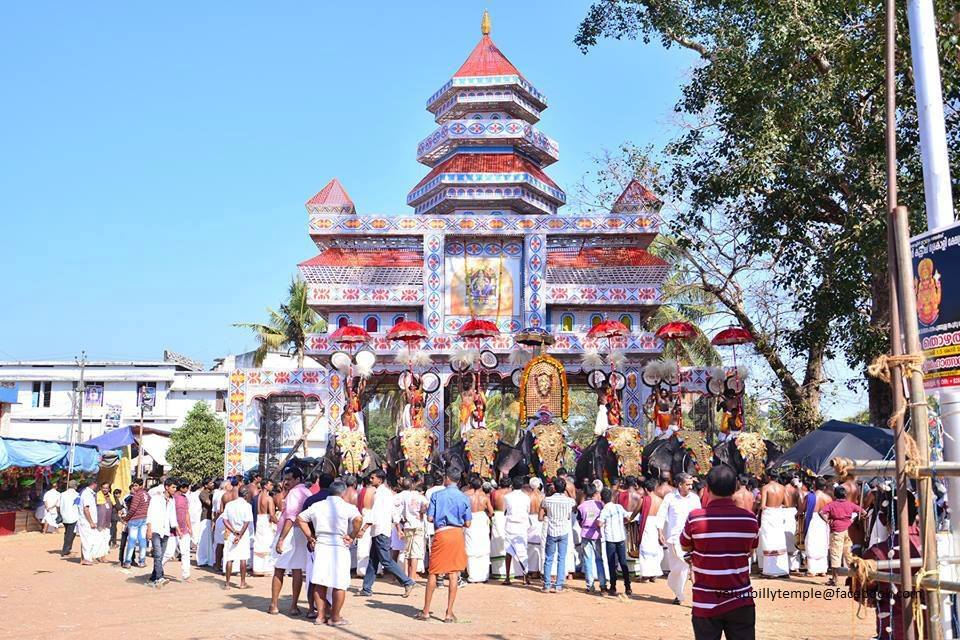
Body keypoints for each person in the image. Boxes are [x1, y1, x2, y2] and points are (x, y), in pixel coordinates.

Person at [680, 464, 760, 640]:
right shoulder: (749, 519)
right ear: (735, 487)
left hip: (705, 602)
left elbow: (685, 545)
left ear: (707, 489)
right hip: (740, 600)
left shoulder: (695, 518)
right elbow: (750, 549)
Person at [295, 480, 361, 627]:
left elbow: (300, 518)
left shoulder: (318, 506)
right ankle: (335, 617)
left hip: (322, 544)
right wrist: (352, 535)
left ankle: (320, 616)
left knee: (320, 582)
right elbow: (358, 519)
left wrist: (310, 537)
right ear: (343, 493)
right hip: (339, 545)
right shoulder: (347, 507)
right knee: (340, 584)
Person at [416, 469, 472, 623]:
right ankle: (449, 613)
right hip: (457, 534)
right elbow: (468, 523)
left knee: (434, 572)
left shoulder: (437, 495)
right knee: (453, 573)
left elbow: (430, 518)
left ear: (447, 478)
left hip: (441, 534)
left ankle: (426, 611)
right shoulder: (464, 497)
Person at [358, 470, 417, 597]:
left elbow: (375, 513)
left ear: (379, 480)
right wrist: (398, 527)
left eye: (373, 478)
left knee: (385, 560)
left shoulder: (381, 494)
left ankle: (407, 581)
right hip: (381, 530)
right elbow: (393, 512)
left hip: (380, 530)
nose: (370, 480)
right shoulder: (386, 493)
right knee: (373, 560)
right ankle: (366, 588)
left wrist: (364, 529)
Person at [270, 467, 312, 616]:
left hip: (289, 532)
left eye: (289, 479)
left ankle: (274, 604)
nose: (286, 482)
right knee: (297, 569)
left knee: (279, 568)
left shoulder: (294, 493)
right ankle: (293, 606)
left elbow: (291, 517)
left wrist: (281, 539)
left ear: (298, 479)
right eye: (285, 479)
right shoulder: (307, 492)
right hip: (301, 533)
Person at [661, 472, 702, 604]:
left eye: (691, 484)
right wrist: (660, 532)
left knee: (690, 566)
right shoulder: (670, 498)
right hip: (674, 539)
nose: (691, 487)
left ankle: (698, 597)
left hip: (691, 539)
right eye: (688, 484)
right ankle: (678, 593)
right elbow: (661, 515)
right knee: (677, 569)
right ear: (680, 485)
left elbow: (699, 518)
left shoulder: (695, 499)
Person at [820, 485, 865, 586]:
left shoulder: (832, 505)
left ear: (835, 495)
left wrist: (827, 521)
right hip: (849, 530)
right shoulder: (850, 504)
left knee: (835, 554)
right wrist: (853, 520)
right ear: (845, 495)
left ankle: (835, 579)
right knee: (849, 555)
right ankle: (855, 578)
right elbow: (864, 512)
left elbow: (821, 512)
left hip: (836, 530)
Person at [540, 477, 576, 593]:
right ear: (564, 488)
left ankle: (547, 585)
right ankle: (559, 585)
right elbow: (574, 502)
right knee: (562, 558)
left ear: (554, 488)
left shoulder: (547, 500)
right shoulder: (569, 501)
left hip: (552, 531)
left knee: (549, 558)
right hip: (563, 531)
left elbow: (542, 506)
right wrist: (568, 491)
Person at [599, 487, 632, 596]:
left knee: (611, 563)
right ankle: (628, 587)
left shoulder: (604, 510)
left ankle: (613, 587)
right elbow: (628, 517)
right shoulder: (619, 507)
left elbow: (600, 523)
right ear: (612, 497)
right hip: (620, 537)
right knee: (623, 562)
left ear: (602, 499)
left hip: (610, 539)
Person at [146, 478, 177, 588]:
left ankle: (153, 577)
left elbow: (172, 516)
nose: (175, 489)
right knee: (158, 554)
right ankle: (160, 577)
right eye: (173, 487)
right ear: (167, 487)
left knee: (161, 556)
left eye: (175, 487)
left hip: (166, 531)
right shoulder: (156, 499)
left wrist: (177, 528)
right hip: (155, 529)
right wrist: (149, 529)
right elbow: (149, 514)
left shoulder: (172, 501)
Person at [757, 473, 789, 577]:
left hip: (769, 515)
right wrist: (777, 506)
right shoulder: (782, 488)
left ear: (769, 477)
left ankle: (770, 570)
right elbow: (787, 504)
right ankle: (782, 569)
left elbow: (762, 506)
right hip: (778, 515)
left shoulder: (765, 488)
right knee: (779, 540)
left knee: (768, 540)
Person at [577, 482, 607, 594]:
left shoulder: (581, 507)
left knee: (587, 559)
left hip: (585, 534)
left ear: (584, 493)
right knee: (599, 559)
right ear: (595, 493)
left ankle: (590, 586)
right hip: (596, 534)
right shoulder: (600, 505)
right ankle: (603, 585)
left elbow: (579, 521)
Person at [398, 476, 429, 581]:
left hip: (407, 525)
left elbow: (401, 511)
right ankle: (412, 577)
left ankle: (406, 575)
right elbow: (426, 507)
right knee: (415, 553)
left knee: (407, 552)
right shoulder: (421, 497)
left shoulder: (406, 497)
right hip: (418, 525)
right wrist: (421, 512)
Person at [223, 485, 254, 590]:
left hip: (232, 534)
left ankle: (227, 584)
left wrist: (233, 531)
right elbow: (246, 522)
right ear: (246, 495)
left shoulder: (229, 504)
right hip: (243, 535)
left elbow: (225, 520)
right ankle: (242, 583)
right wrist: (240, 535)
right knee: (243, 558)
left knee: (230, 558)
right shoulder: (247, 506)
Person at [464, 476, 493, 583]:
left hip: (470, 520)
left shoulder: (467, 497)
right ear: (481, 486)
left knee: (471, 547)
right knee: (483, 547)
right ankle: (484, 576)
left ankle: (472, 576)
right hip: (481, 521)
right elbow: (491, 512)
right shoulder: (484, 497)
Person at [503, 476, 531, 585]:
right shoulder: (526, 497)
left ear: (512, 485)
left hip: (510, 525)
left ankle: (507, 577)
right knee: (523, 551)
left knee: (508, 551)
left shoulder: (507, 497)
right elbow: (527, 511)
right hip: (522, 526)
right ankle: (525, 577)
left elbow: (505, 511)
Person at [635, 477, 664, 582]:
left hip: (647, 523)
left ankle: (646, 575)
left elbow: (636, 511)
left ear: (646, 489)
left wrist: (630, 518)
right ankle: (654, 574)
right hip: (657, 524)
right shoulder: (660, 500)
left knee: (645, 548)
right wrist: (660, 532)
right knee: (656, 549)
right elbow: (662, 516)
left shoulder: (644, 500)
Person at [804, 477, 832, 576]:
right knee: (822, 543)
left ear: (814, 485)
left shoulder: (809, 496)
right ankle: (823, 569)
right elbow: (830, 512)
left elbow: (803, 509)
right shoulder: (828, 498)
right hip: (823, 521)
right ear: (824, 487)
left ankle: (812, 570)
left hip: (812, 520)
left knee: (811, 542)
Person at [168, 479, 193, 582]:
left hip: (184, 529)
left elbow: (187, 513)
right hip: (172, 530)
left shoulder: (185, 498)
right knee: (168, 553)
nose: (188, 489)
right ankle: (157, 571)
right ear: (182, 487)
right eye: (187, 487)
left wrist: (189, 527)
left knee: (185, 552)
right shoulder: (172, 498)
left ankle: (186, 575)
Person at [253, 478, 278, 576]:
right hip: (266, 520)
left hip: (259, 519)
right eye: (270, 484)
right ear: (265, 486)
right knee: (268, 543)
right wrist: (278, 522)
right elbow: (272, 515)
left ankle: (258, 568)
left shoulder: (257, 497)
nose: (272, 486)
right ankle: (267, 568)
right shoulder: (269, 498)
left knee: (259, 543)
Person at [122, 479, 149, 568]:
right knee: (142, 540)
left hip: (135, 519)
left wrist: (126, 519)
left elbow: (133, 509)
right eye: (133, 485)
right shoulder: (147, 495)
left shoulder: (137, 495)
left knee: (132, 540)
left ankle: (127, 562)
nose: (134, 487)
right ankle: (142, 561)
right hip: (144, 518)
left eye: (136, 485)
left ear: (141, 486)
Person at [489, 476, 511, 578]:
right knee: (508, 541)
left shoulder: (495, 493)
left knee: (497, 542)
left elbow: (491, 506)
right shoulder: (512, 493)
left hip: (498, 517)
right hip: (508, 517)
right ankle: (510, 571)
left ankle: (498, 571)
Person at [77, 480, 101, 565]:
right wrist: (90, 522)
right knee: (87, 540)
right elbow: (86, 509)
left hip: (90, 521)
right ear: (94, 484)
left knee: (91, 540)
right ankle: (86, 559)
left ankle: (89, 557)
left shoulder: (90, 494)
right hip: (86, 521)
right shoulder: (86, 494)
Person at [59, 480, 80, 556]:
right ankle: (65, 550)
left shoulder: (62, 494)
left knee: (67, 533)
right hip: (73, 516)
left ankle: (67, 549)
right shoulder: (77, 495)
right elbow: (78, 506)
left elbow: (59, 505)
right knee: (70, 534)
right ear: (75, 486)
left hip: (64, 516)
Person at [197, 478, 214, 567]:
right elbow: (209, 503)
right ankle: (202, 560)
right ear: (206, 485)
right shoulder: (203, 494)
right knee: (203, 540)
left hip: (211, 518)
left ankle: (209, 559)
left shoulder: (212, 493)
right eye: (210, 483)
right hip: (205, 518)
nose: (212, 484)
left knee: (209, 541)